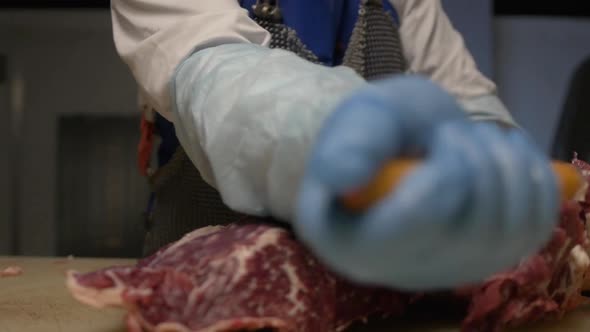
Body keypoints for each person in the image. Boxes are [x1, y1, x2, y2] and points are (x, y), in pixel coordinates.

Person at [111, 0, 559, 290]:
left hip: (379, 308)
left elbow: (470, 102)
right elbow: (218, 77)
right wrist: (329, 138)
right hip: (209, 297)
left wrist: (499, 164)